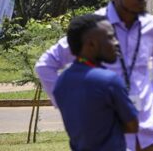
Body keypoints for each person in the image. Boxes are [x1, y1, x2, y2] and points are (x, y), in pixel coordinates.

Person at [36, 0, 153, 151]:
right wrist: (66, 102)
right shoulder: (95, 28)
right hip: (111, 137)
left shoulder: (151, 26)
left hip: (149, 135)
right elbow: (46, 64)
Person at [54, 14, 139, 150]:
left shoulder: (61, 81)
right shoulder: (109, 81)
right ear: (91, 44)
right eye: (110, 38)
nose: (116, 43)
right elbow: (133, 125)